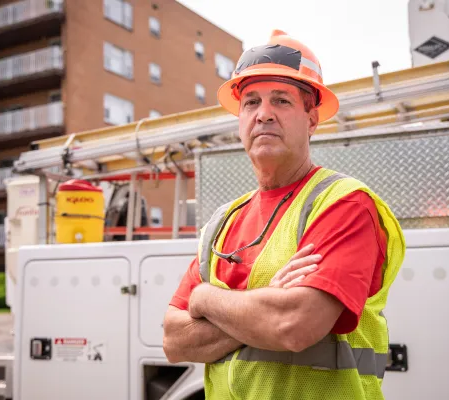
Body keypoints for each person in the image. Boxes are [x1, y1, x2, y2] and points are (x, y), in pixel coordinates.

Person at [163, 29, 405, 400]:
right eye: (251, 102)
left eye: (281, 100)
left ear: (312, 118)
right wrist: (265, 304)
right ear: (239, 119)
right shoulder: (221, 223)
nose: (264, 115)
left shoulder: (345, 204)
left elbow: (293, 325)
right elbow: (174, 341)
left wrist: (206, 300)